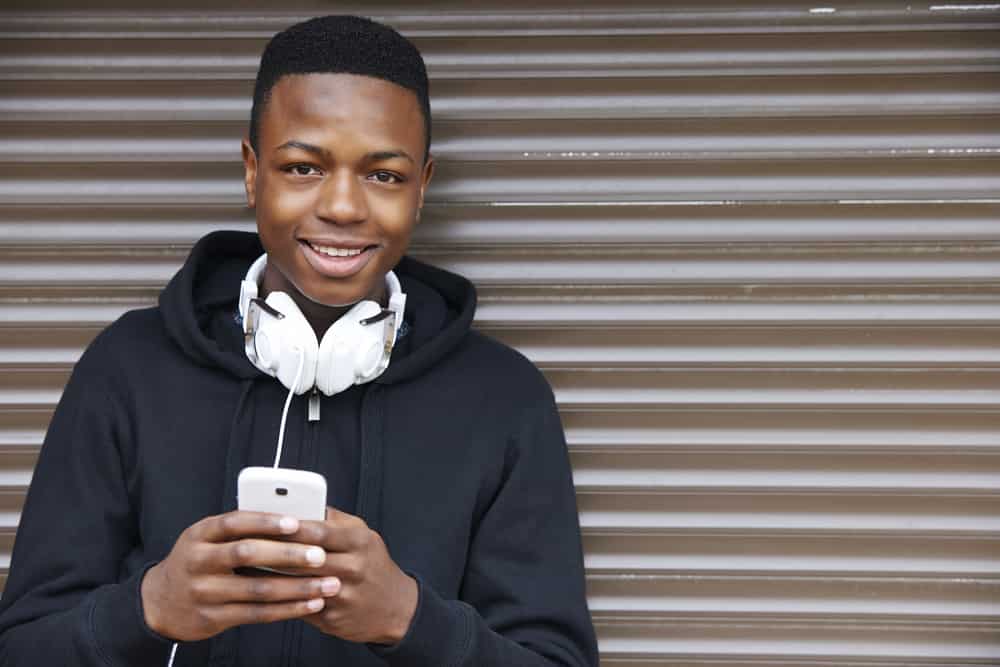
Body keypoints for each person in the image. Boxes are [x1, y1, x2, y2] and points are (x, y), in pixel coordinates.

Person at [0, 15, 598, 667]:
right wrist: (145, 609)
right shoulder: (126, 369)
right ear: (253, 172)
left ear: (423, 186)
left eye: (384, 175)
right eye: (303, 166)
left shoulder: (505, 399)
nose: (343, 206)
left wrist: (409, 617)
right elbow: (23, 644)